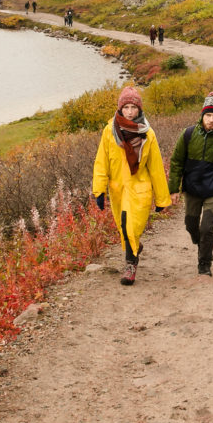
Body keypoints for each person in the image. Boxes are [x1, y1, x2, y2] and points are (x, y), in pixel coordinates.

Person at [92, 86, 172, 285]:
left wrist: (162, 198)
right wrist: (99, 190)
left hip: (139, 188)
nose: (129, 111)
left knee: (130, 225)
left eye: (133, 107)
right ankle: (134, 248)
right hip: (118, 188)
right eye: (126, 107)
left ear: (139, 109)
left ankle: (130, 264)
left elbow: (156, 168)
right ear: (120, 108)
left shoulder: (148, 134)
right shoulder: (109, 131)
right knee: (123, 227)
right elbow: (101, 161)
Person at [168, 96, 213, 276]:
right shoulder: (188, 134)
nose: (211, 120)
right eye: (208, 115)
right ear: (202, 116)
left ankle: (204, 263)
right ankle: (201, 243)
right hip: (192, 189)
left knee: (207, 227)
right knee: (191, 225)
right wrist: (173, 189)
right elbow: (177, 162)